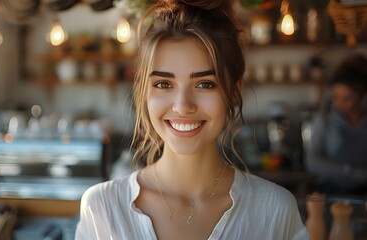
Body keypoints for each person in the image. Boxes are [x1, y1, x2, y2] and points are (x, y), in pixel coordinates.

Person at [75, 0, 308, 239]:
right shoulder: (102, 209)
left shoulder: (274, 211)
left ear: (234, 92)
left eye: (205, 84)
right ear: (144, 92)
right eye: (163, 84)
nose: (183, 106)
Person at [306, 54, 367, 195]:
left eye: (347, 99)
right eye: (335, 97)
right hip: (331, 193)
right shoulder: (325, 119)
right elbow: (312, 161)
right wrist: (352, 172)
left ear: (361, 97)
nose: (339, 104)